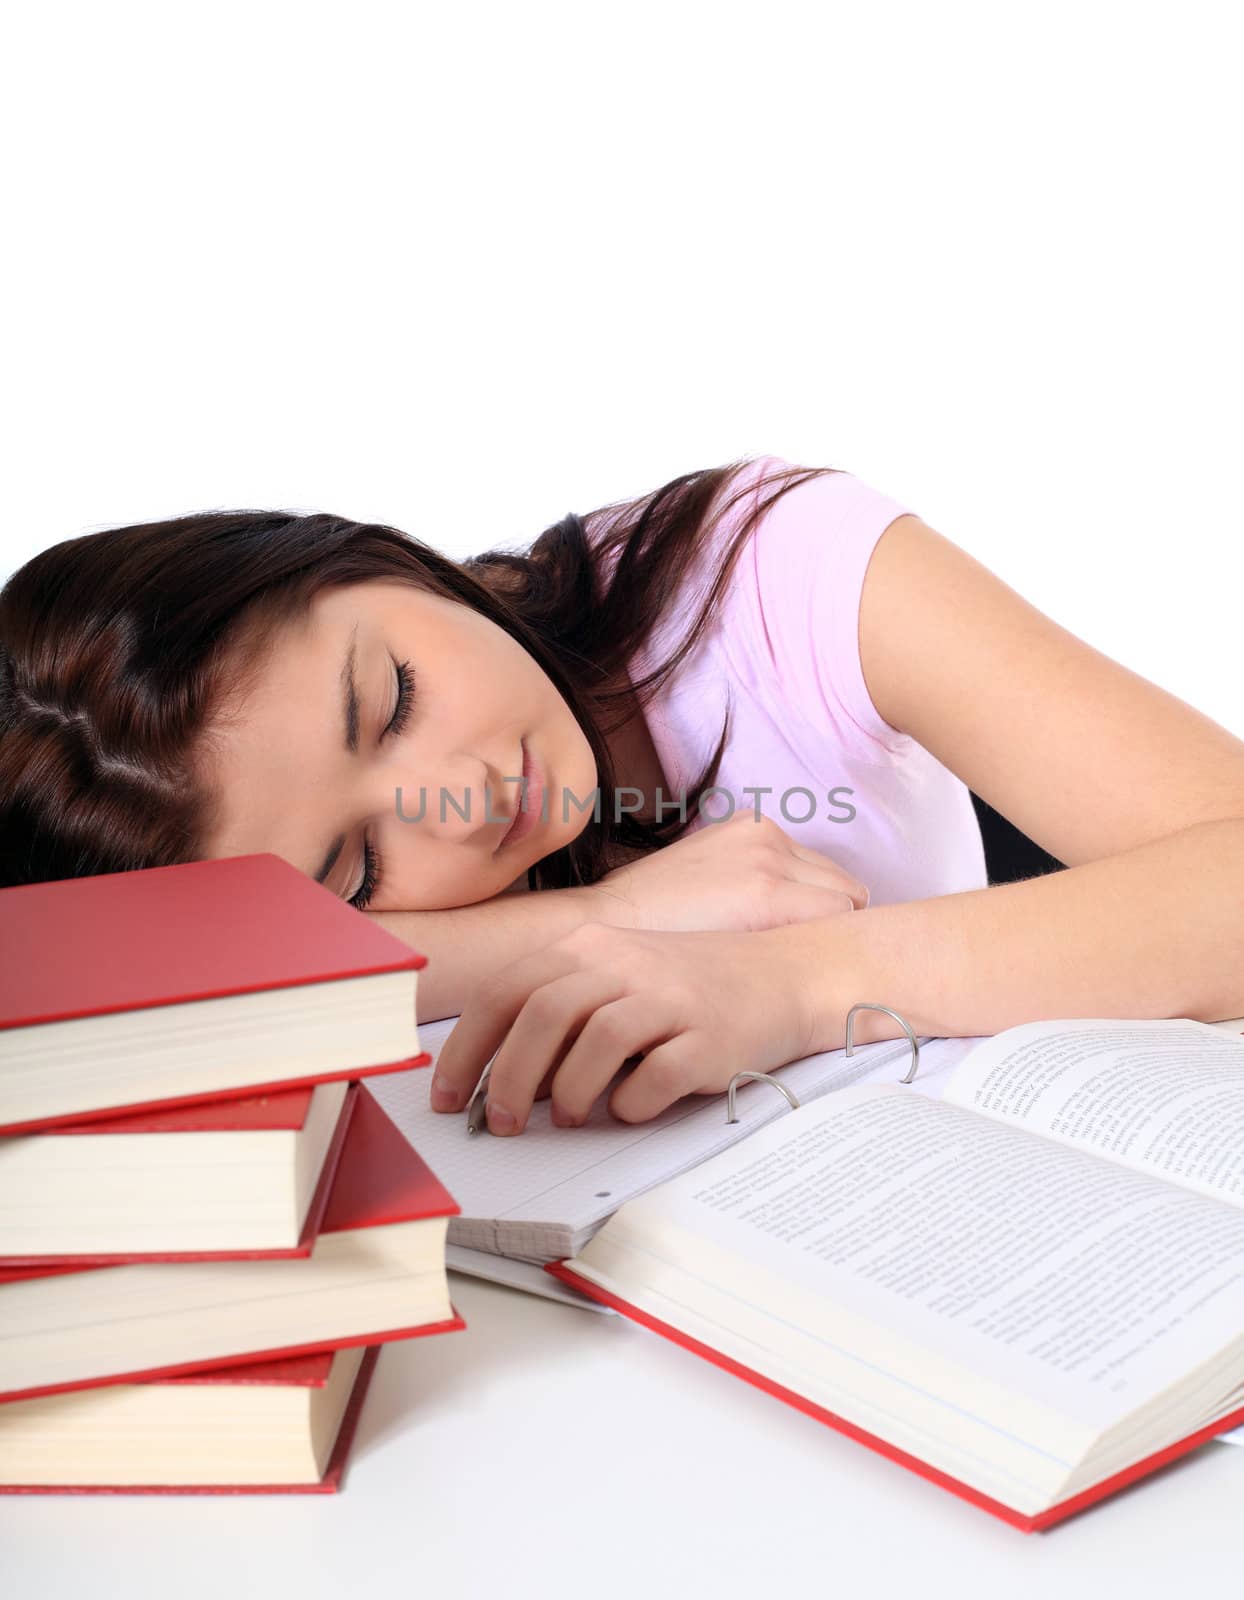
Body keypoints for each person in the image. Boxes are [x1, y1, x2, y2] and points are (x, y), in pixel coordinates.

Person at [4, 454, 1244, 1136]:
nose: (460, 795)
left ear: (363, 556)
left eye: (392, 699)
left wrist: (785, 979)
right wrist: (577, 931)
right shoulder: (384, 866)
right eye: (356, 872)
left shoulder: (768, 573)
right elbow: (85, 974)